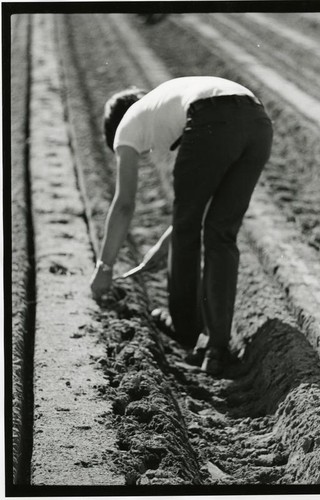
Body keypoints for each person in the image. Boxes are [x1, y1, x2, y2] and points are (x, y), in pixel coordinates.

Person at [90, 76, 273, 375]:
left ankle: (185, 328)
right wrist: (166, 241)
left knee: (188, 234)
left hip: (211, 118)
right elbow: (199, 208)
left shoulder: (126, 126)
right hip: (257, 121)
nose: (146, 154)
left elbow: (124, 204)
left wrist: (105, 268)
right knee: (221, 235)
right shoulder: (164, 99)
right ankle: (217, 349)